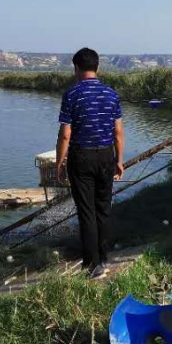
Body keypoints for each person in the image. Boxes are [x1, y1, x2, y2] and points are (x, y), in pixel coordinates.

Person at [55, 47, 124, 279]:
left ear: (76, 68)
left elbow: (65, 134)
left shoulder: (72, 94)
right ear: (98, 67)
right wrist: (119, 161)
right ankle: (104, 259)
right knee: (104, 208)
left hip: (81, 156)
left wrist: (59, 163)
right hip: (106, 155)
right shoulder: (111, 93)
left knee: (86, 211)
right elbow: (118, 132)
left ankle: (92, 266)